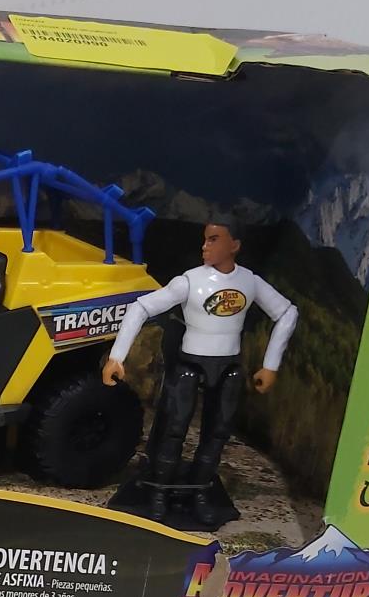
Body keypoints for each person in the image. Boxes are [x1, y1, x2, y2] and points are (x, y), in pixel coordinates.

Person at [102, 222, 298, 525]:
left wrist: (270, 363)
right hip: (190, 364)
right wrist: (117, 357)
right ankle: (158, 492)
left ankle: (200, 492)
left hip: (228, 365)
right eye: (205, 240)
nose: (205, 246)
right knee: (174, 429)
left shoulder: (250, 282)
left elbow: (287, 312)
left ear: (234, 245)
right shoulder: (189, 281)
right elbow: (141, 308)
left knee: (217, 434)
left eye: (214, 239)